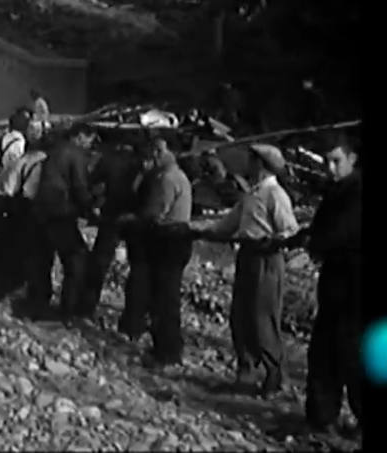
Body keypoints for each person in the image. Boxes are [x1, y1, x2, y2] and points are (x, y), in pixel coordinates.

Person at [192, 143, 301, 396]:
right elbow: (228, 225)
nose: (248, 164)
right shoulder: (252, 195)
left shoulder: (275, 194)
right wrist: (199, 231)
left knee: (263, 318)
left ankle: (276, 378)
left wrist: (272, 242)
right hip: (248, 258)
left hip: (266, 260)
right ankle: (246, 373)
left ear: (261, 164)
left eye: (252, 160)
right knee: (241, 316)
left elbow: (290, 231)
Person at [285, 134, 363, 435]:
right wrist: (300, 238)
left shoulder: (357, 193)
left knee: (353, 354)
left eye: (336, 161)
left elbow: (339, 232)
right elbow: (321, 228)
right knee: (323, 352)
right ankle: (320, 418)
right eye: (326, 161)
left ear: (352, 159)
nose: (330, 168)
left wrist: (312, 244)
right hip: (335, 283)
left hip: (356, 286)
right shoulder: (336, 191)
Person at [124, 137, 194, 367]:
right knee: (166, 297)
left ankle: (167, 350)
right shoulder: (176, 176)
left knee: (164, 299)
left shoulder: (165, 180)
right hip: (176, 240)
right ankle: (167, 347)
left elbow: (153, 214)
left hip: (168, 241)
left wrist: (128, 219)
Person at [16, 122, 96, 321]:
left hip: (41, 211)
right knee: (76, 260)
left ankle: (37, 303)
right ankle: (67, 310)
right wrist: (91, 208)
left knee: (43, 259)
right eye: (89, 139)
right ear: (79, 136)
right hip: (60, 212)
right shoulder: (75, 154)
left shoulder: (55, 150)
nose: (89, 145)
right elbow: (79, 186)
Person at [80, 141, 146, 317]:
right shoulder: (142, 161)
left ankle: (86, 308)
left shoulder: (109, 159)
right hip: (136, 216)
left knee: (100, 262)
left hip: (112, 214)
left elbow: (93, 182)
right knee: (139, 267)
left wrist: (96, 203)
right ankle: (134, 318)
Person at [0, 122, 47, 298]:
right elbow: (28, 193)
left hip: (1, 199)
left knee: (2, 245)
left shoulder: (26, 158)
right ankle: (5, 286)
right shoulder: (39, 163)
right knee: (13, 247)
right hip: (10, 202)